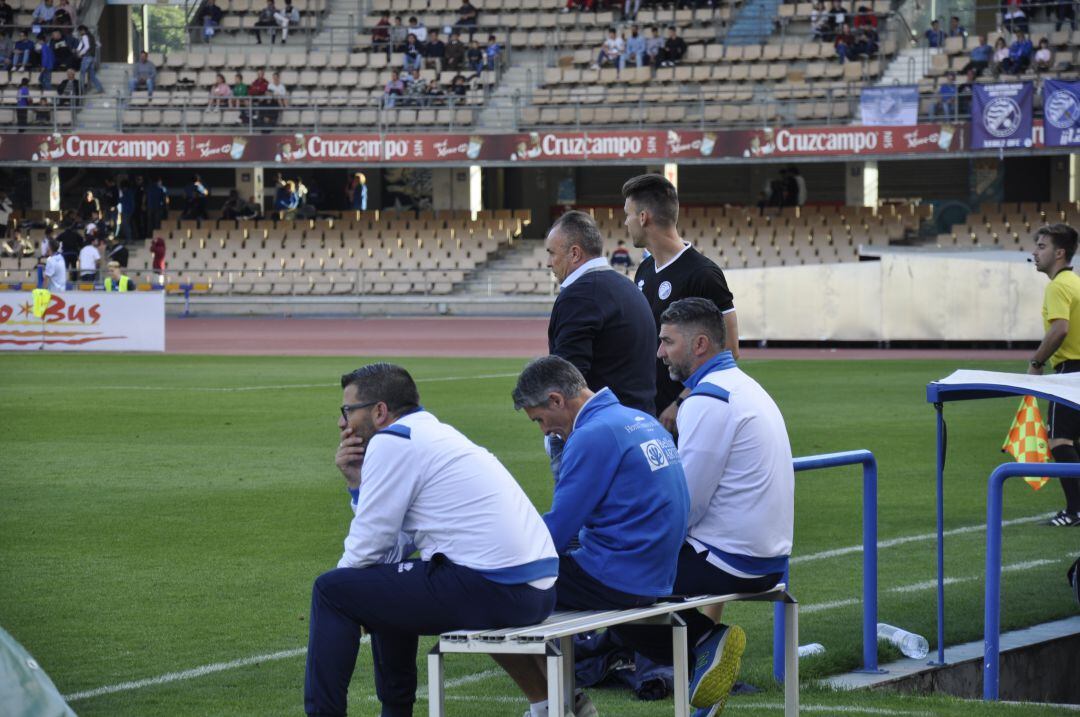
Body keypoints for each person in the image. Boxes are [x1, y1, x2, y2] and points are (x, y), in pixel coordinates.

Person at [304, 363, 558, 717]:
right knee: (381, 580)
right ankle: (395, 712)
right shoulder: (432, 432)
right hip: (536, 589)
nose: (342, 423)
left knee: (332, 591)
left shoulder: (393, 441)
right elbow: (391, 549)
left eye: (348, 411)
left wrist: (347, 595)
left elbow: (368, 545)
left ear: (379, 411)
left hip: (499, 587)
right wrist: (357, 485)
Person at [618, 297, 794, 717]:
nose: (659, 353)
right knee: (627, 567)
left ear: (699, 344)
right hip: (769, 556)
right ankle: (706, 673)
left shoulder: (708, 400)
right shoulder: (745, 387)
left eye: (667, 342)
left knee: (613, 586)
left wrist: (628, 539)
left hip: (732, 560)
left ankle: (705, 645)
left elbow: (686, 507)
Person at [498, 355, 689, 717]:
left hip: (619, 577)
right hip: (660, 572)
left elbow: (556, 531)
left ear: (556, 399)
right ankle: (565, 699)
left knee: (497, 589)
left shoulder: (592, 435)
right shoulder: (639, 419)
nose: (543, 431)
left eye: (539, 419)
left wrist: (498, 557)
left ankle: (553, 704)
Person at [544, 211, 658, 478]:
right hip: (639, 427)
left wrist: (555, 435)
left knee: (581, 517)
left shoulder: (579, 295)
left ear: (574, 253)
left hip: (603, 439)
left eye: (552, 253)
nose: (548, 262)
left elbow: (568, 378)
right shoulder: (625, 287)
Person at [625, 173, 740, 434]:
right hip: (649, 412)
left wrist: (682, 401)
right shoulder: (644, 270)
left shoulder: (703, 274)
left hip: (687, 416)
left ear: (643, 218)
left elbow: (730, 350)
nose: (625, 223)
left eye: (627, 215)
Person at [1028, 224, 1080, 527]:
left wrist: (1037, 362)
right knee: (1075, 441)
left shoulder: (1058, 286)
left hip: (1070, 371)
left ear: (1059, 252)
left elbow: (1060, 329)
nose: (1035, 252)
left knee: (1060, 441)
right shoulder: (1075, 283)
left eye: (1042, 246)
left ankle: (1075, 510)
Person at [76, 25, 103, 94]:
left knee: (82, 73)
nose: (79, 33)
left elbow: (87, 46)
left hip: (87, 57)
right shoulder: (92, 36)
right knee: (92, 75)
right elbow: (99, 45)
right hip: (92, 57)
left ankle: (81, 90)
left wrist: (80, 53)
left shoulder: (84, 36)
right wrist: (78, 49)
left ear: (82, 30)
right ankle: (100, 88)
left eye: (79, 31)